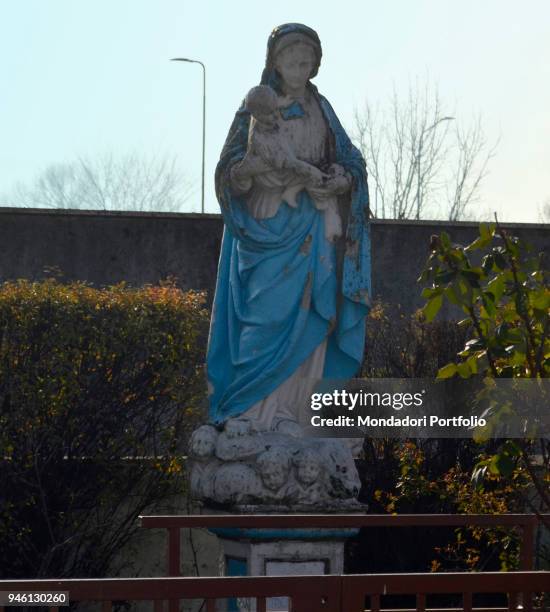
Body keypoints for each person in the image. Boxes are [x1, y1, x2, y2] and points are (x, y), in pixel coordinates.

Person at [207, 23, 371, 433]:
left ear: (316, 64)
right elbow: (228, 172)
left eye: (308, 59)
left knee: (311, 320)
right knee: (261, 317)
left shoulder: (323, 109)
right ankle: (247, 411)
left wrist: (341, 180)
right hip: (264, 229)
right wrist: (249, 172)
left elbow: (353, 161)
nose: (301, 65)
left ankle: (295, 414)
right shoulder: (255, 107)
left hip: (313, 231)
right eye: (292, 58)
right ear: (275, 62)